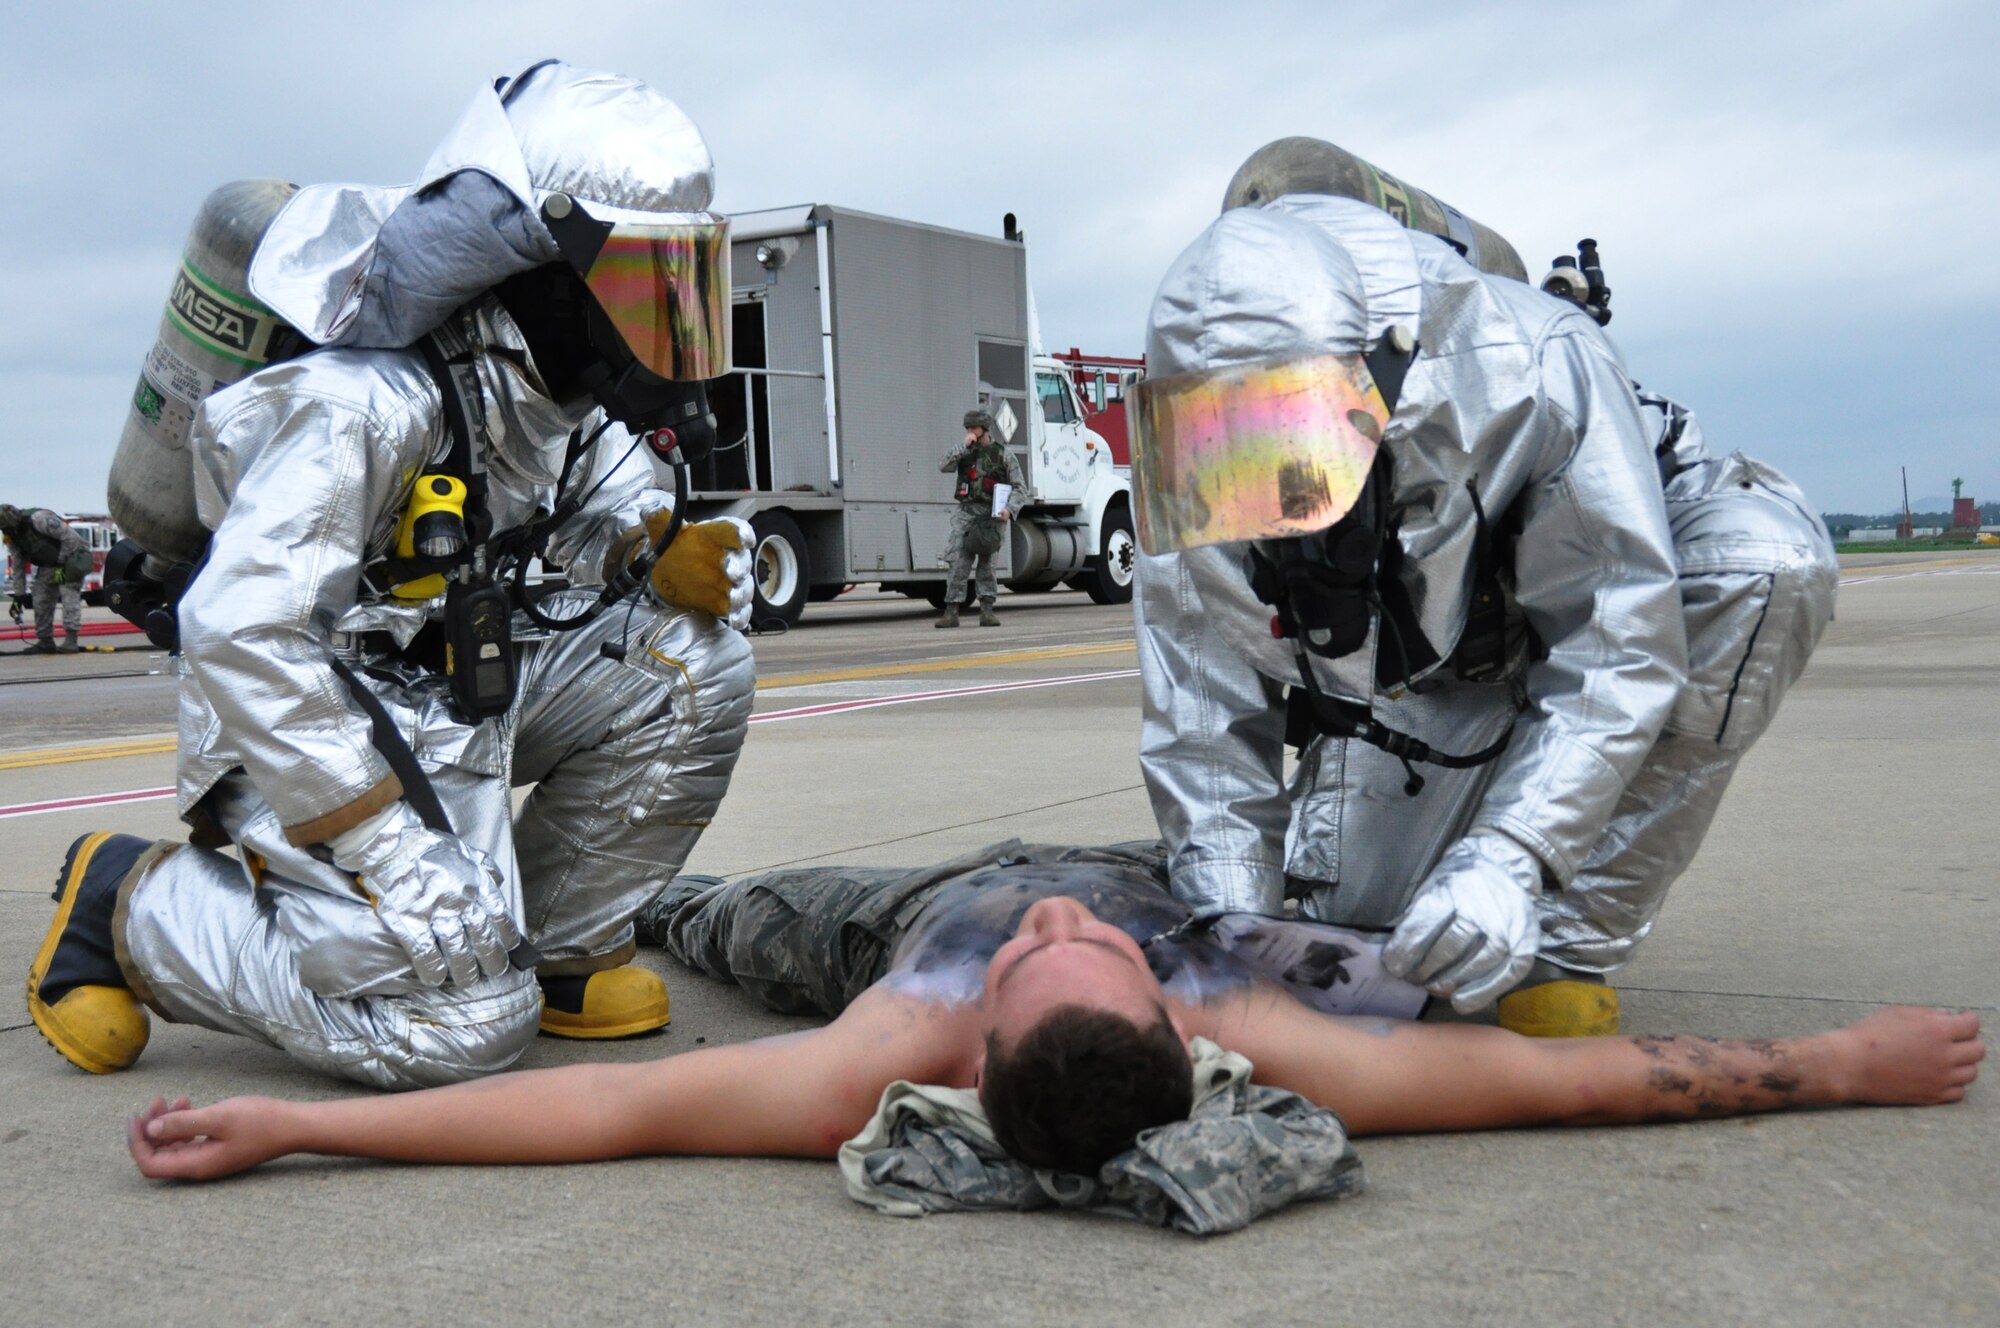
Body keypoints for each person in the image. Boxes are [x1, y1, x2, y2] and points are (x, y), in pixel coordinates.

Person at [25, 62, 760, 1090]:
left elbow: (595, 510)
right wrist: (389, 852)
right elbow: (243, 632)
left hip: (450, 692)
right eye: (648, 286)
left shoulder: (560, 399)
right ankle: (131, 906)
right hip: (295, 717)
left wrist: (654, 548)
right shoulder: (366, 402)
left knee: (694, 662)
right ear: (546, 268)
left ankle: (550, 945)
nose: (670, 323)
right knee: (459, 1028)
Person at [120, 845, 1981, 1183]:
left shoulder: (895, 1040)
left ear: (974, 1042)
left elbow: (593, 1116)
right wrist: (1836, 1064)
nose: (1071, 928)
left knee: (735, 920)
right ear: (1196, 1021)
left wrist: (301, 1119)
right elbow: (1585, 1087)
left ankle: (689, 898)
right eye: (1081, 951)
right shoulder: (1276, 1022)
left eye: (1058, 951)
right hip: (1170, 854)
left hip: (888, 927)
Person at [1129, 181, 1837, 1038]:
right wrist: (1230, 941)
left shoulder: (1534, 360)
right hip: (1432, 675)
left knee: (1762, 565)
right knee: (1364, 957)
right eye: (1220, 450)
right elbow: (1203, 719)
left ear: (1377, 387)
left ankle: (1563, 955)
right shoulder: (1188, 459)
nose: (1250, 483)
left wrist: (1509, 858)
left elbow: (1616, 639)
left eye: (1277, 446)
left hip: (1624, 606)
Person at [936, 409, 1025, 628]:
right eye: (967, 428)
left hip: (991, 515)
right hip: (966, 513)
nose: (970, 432)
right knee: (958, 561)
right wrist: (962, 447)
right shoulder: (964, 452)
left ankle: (987, 610)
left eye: (974, 428)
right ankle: (951, 610)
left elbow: (1020, 488)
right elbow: (943, 465)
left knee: (987, 564)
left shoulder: (1003, 454)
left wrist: (1009, 509)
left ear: (985, 429)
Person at [1, 503, 91, 654]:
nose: (6, 531)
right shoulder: (13, 537)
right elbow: (18, 566)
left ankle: (71, 640)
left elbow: (70, 539)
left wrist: (61, 561)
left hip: (71, 558)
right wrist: (19, 596)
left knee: (69, 596)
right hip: (49, 565)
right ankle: (45, 640)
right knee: (40, 597)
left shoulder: (40, 519)